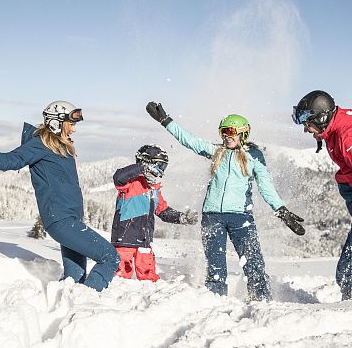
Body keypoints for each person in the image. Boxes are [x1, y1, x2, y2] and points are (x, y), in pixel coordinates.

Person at [0, 100, 120, 292]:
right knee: (110, 257)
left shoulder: (62, 147)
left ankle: (68, 307)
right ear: (56, 122)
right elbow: (8, 161)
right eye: (72, 124)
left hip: (71, 219)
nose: (74, 129)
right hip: (61, 220)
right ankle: (88, 301)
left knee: (74, 279)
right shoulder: (40, 145)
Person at [146, 102, 305, 301]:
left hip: (241, 217)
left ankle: (262, 300)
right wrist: (166, 121)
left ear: (243, 134)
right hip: (212, 216)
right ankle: (215, 300)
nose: (226, 136)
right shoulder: (216, 152)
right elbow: (189, 140)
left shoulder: (254, 157)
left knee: (253, 261)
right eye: (223, 132)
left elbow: (265, 186)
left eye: (231, 132)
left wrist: (280, 209)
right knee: (215, 264)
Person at [292, 90, 352, 300]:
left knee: (347, 273)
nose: (306, 130)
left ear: (322, 117)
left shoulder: (347, 135)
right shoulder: (335, 128)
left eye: (307, 123)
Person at [111, 144, 198, 282]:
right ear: (147, 163)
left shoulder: (154, 189)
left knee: (148, 276)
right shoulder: (130, 183)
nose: (160, 172)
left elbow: (163, 210)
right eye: (159, 166)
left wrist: (181, 217)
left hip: (144, 241)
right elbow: (118, 177)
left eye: (163, 168)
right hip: (124, 240)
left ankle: (150, 298)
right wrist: (141, 167)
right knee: (120, 275)